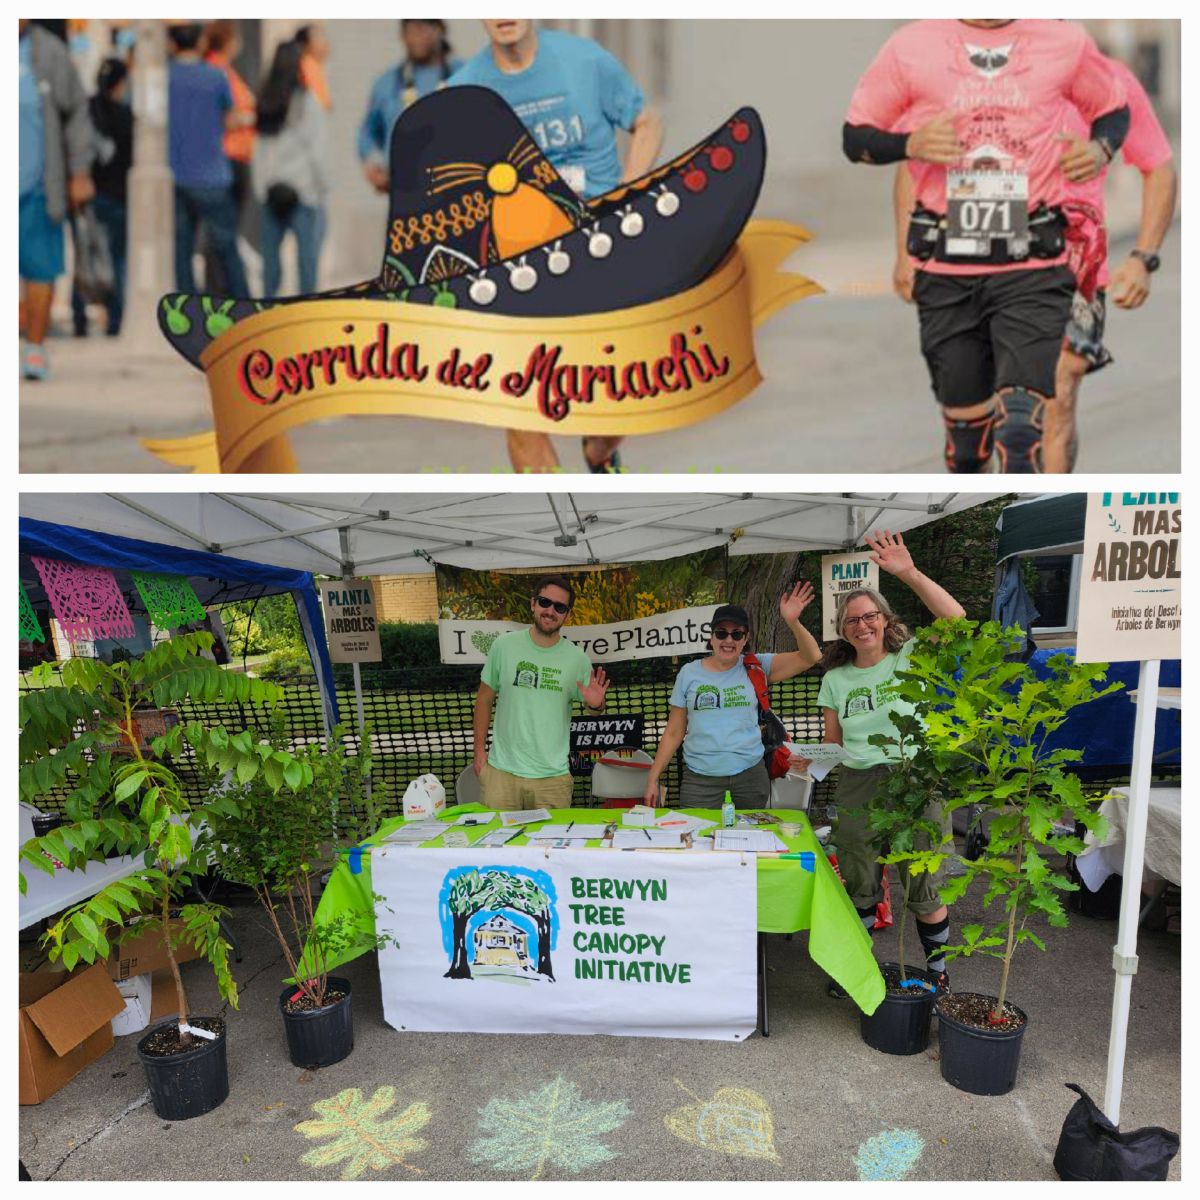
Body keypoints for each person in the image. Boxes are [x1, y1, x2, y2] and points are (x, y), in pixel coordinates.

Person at [844, 19, 1130, 474]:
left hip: (1035, 262)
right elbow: (856, 137)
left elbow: (1113, 110)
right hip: (946, 268)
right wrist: (911, 143)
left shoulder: (1063, 41)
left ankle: (1020, 528)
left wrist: (1099, 151)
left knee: (1021, 435)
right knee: (966, 448)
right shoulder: (911, 45)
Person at [891, 55, 1177, 474]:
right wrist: (905, 254)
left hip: (1070, 261)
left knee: (1056, 394)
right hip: (973, 257)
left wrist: (1143, 258)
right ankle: (985, 493)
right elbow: (915, 165)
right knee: (981, 413)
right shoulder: (964, 79)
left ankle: (1042, 504)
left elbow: (1159, 167)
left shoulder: (1109, 81)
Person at [450, 19, 664, 474]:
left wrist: (629, 190)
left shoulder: (584, 61)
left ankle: (599, 450)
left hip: (598, 247)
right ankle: (555, 517)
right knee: (520, 397)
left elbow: (646, 123)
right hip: (519, 264)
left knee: (618, 386)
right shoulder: (463, 91)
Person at [813, 531, 965, 995]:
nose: (862, 625)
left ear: (884, 619)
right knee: (861, 880)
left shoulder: (911, 658)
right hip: (857, 783)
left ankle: (938, 972)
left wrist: (909, 572)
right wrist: (811, 760)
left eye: (870, 616)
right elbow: (832, 742)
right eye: (852, 620)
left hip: (912, 777)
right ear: (843, 630)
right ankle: (861, 969)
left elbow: (956, 619)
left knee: (923, 881)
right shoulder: (835, 680)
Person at [644, 584, 822, 810]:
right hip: (700, 781)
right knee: (698, 839)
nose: (729, 640)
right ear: (711, 637)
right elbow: (673, 731)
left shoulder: (757, 666)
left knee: (750, 838)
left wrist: (793, 622)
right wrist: (652, 778)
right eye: (721, 633)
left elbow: (811, 657)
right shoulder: (688, 673)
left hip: (749, 776)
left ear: (745, 638)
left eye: (736, 634)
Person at [472, 576, 610, 811]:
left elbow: (595, 711)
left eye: (560, 607)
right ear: (533, 603)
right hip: (501, 774)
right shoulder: (503, 646)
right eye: (545, 602)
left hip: (552, 780)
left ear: (567, 614)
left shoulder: (578, 659)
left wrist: (596, 705)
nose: (550, 611)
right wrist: (479, 754)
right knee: (499, 846)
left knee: (550, 848)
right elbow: (484, 700)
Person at [19, 18, 94, 380]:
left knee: (40, 271)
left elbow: (78, 112)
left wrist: (79, 172)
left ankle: (34, 348)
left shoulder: (48, 53)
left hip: (36, 188)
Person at [168, 22, 248, 296]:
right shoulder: (215, 77)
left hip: (176, 175)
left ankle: (187, 308)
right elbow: (231, 118)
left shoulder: (164, 77)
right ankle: (243, 304)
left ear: (172, 44)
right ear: (200, 42)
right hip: (212, 175)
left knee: (182, 250)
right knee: (226, 246)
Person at [254, 35, 330, 297]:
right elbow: (317, 153)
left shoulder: (264, 103)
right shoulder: (308, 103)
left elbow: (259, 151)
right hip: (304, 193)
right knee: (307, 263)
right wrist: (322, 189)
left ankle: (268, 317)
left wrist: (262, 189)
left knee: (270, 267)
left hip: (271, 191)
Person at [358, 19, 462, 194]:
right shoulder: (387, 82)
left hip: (458, 191)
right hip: (403, 193)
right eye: (409, 30)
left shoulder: (465, 75)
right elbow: (368, 132)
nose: (415, 37)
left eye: (422, 28)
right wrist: (373, 163)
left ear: (440, 29)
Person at [71, 56, 132, 337]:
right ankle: (115, 319)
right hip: (116, 197)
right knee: (116, 260)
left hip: (86, 196)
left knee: (85, 257)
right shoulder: (125, 115)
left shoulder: (84, 111)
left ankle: (79, 318)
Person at [203, 20, 257, 289]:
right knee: (222, 233)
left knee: (223, 233)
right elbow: (222, 116)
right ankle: (226, 290)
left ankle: (221, 288)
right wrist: (249, 116)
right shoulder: (217, 71)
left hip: (236, 156)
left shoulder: (224, 70)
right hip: (229, 157)